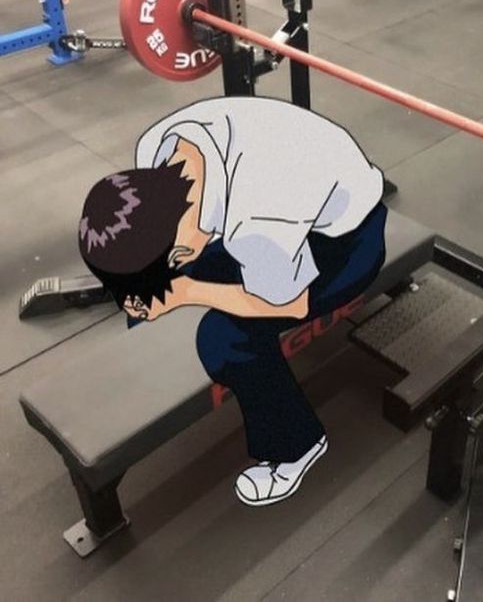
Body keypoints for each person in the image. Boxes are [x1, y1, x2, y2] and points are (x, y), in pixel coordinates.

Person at [78, 96, 386, 506]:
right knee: (172, 280)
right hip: (295, 205)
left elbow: (289, 305)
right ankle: (148, 372)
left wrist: (185, 291)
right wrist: (160, 285)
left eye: (171, 256)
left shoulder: (256, 223)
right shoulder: (158, 150)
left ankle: (297, 446)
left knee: (224, 339)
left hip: (347, 242)